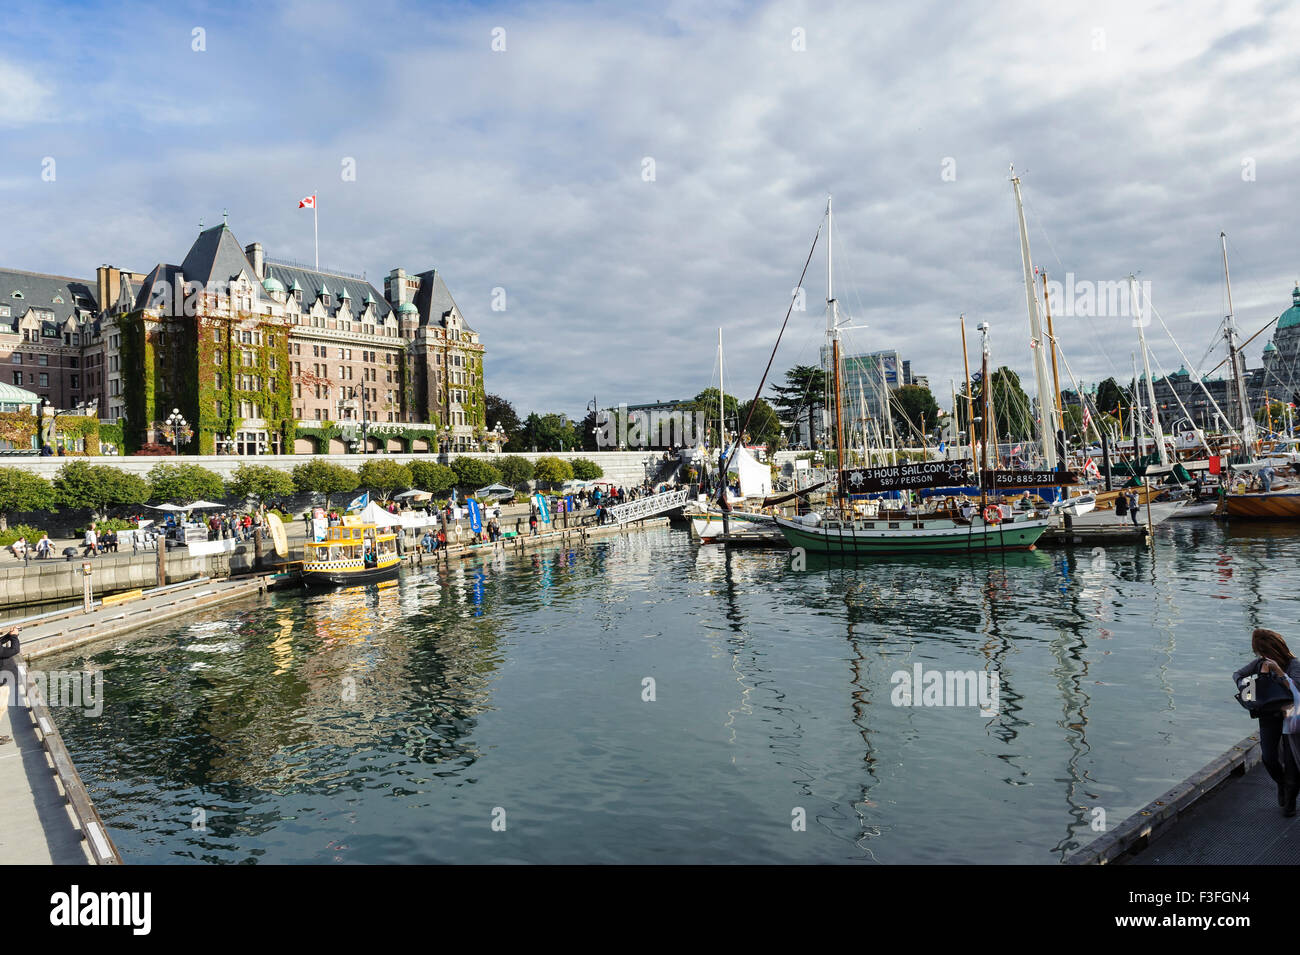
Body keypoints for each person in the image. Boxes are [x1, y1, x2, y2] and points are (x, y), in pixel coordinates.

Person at [1234, 628, 1300, 816]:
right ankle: (1281, 783)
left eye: (1267, 653)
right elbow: (1238, 675)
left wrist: (1278, 672)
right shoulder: (1259, 663)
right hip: (1268, 717)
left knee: (1292, 762)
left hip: (1293, 719)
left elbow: (1297, 690)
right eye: (1261, 654)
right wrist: (1249, 688)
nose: (1264, 657)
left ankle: (1290, 802)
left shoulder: (1294, 665)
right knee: (1269, 758)